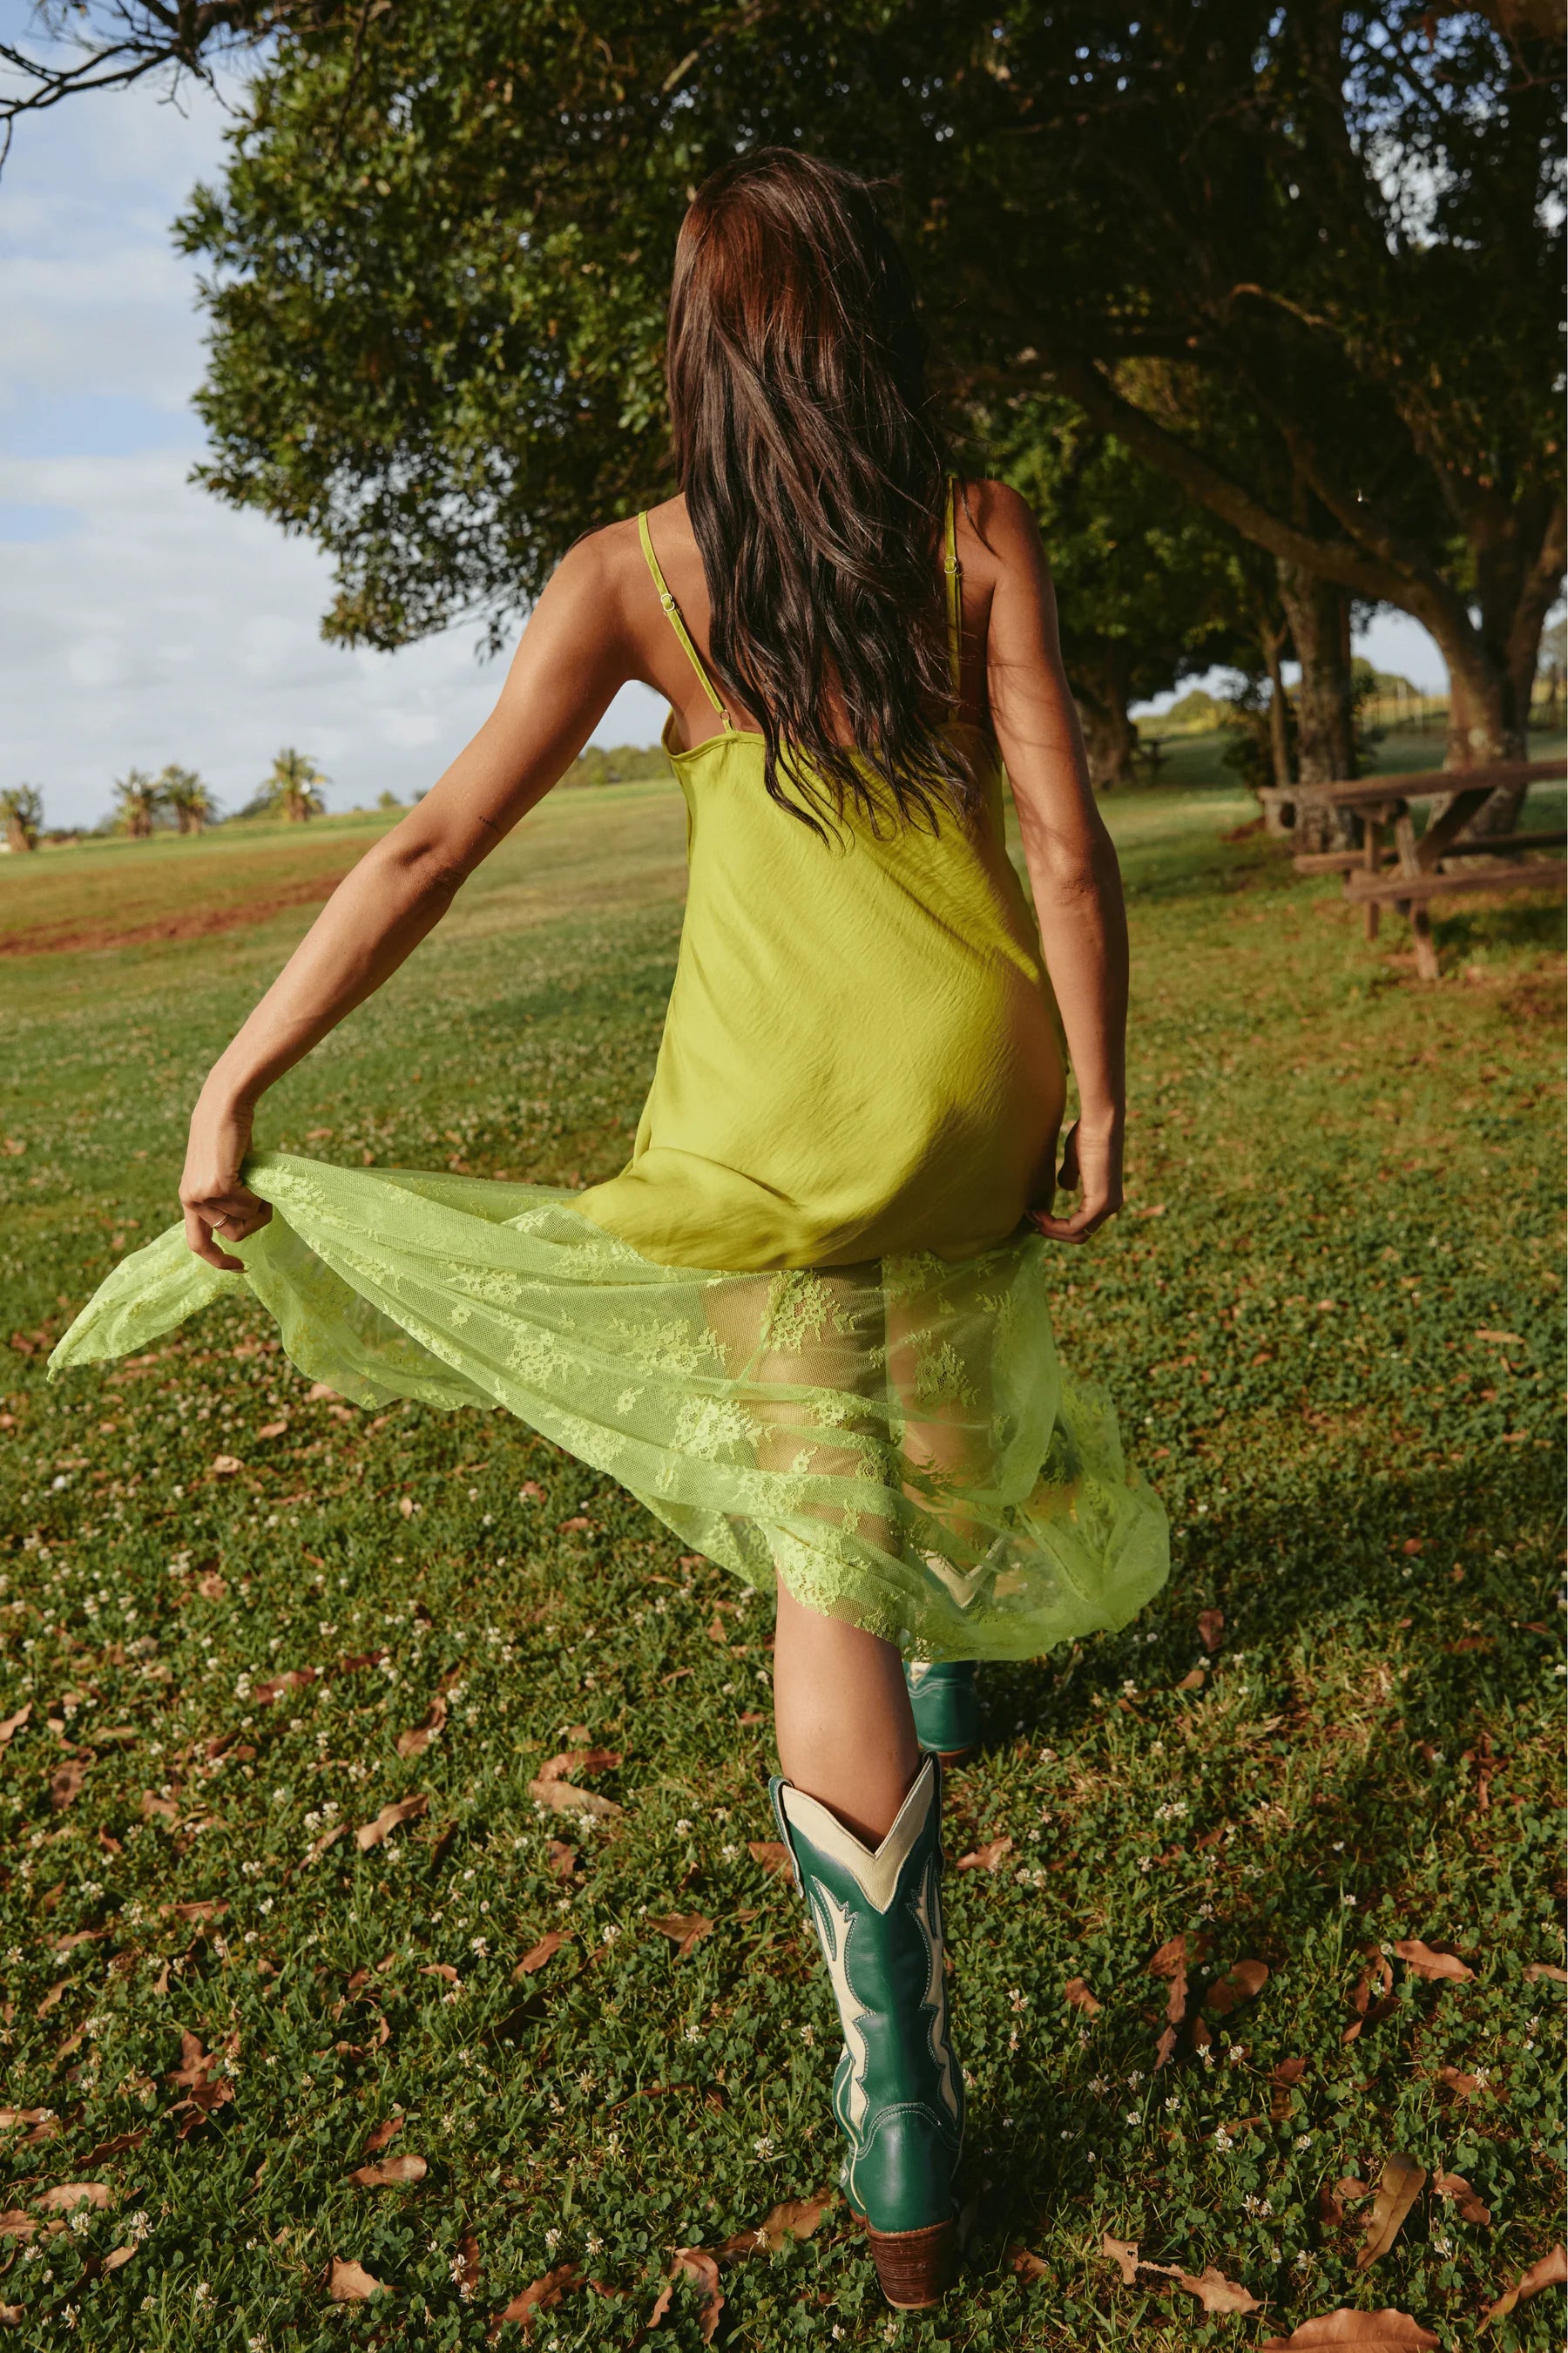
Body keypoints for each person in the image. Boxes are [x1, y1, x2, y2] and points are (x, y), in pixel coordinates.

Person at [51, 148, 1167, 2309]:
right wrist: (1100, 1084)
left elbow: (428, 848)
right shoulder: (972, 526)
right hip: (973, 1071)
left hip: (764, 1116)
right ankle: (954, 1671)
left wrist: (235, 1075)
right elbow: (1060, 838)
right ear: (869, 322)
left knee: (820, 1541)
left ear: (695, 356)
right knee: (943, 1337)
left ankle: (903, 2105)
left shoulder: (629, 577)